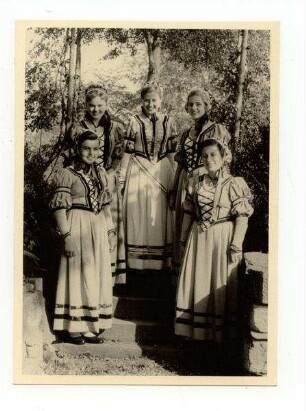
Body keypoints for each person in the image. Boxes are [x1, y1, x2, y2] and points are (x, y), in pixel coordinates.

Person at [175, 138, 253, 344]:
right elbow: (189, 214)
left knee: (219, 282)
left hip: (223, 238)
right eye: (205, 156)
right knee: (198, 281)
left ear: (223, 157)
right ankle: (197, 336)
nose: (209, 160)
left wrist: (236, 245)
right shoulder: (195, 182)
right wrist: (183, 243)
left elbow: (242, 217)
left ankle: (219, 340)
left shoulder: (235, 183)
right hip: (199, 238)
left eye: (213, 155)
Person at [49, 131, 116, 344]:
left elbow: (105, 208)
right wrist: (66, 236)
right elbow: (59, 208)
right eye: (86, 148)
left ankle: (88, 325)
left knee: (93, 275)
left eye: (95, 149)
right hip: (76, 225)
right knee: (77, 274)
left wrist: (110, 231)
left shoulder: (100, 174)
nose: (91, 153)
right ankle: (74, 327)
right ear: (78, 150)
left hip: (97, 227)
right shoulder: (67, 173)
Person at [63, 84, 126, 285]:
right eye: (91, 105)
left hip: (107, 179)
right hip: (82, 180)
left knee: (108, 222)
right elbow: (70, 155)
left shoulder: (115, 127)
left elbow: (118, 154)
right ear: (86, 105)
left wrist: (109, 173)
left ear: (106, 104)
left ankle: (108, 277)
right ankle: (87, 275)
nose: (95, 109)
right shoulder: (77, 127)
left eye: (100, 105)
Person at [169, 88, 232, 275]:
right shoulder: (186, 132)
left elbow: (224, 159)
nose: (194, 107)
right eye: (191, 104)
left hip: (207, 181)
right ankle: (184, 276)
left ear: (206, 106)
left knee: (202, 223)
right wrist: (174, 189)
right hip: (185, 182)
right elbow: (180, 163)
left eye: (198, 104)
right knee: (184, 225)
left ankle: (202, 274)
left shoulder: (217, 129)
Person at [119, 83, 178, 272]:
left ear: (160, 101)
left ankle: (160, 267)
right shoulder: (134, 121)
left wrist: (175, 178)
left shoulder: (169, 121)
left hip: (162, 171)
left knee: (160, 215)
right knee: (138, 213)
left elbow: (172, 152)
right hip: (138, 172)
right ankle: (137, 266)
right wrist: (121, 178)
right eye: (147, 100)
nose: (150, 104)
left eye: (154, 100)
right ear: (141, 101)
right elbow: (127, 152)